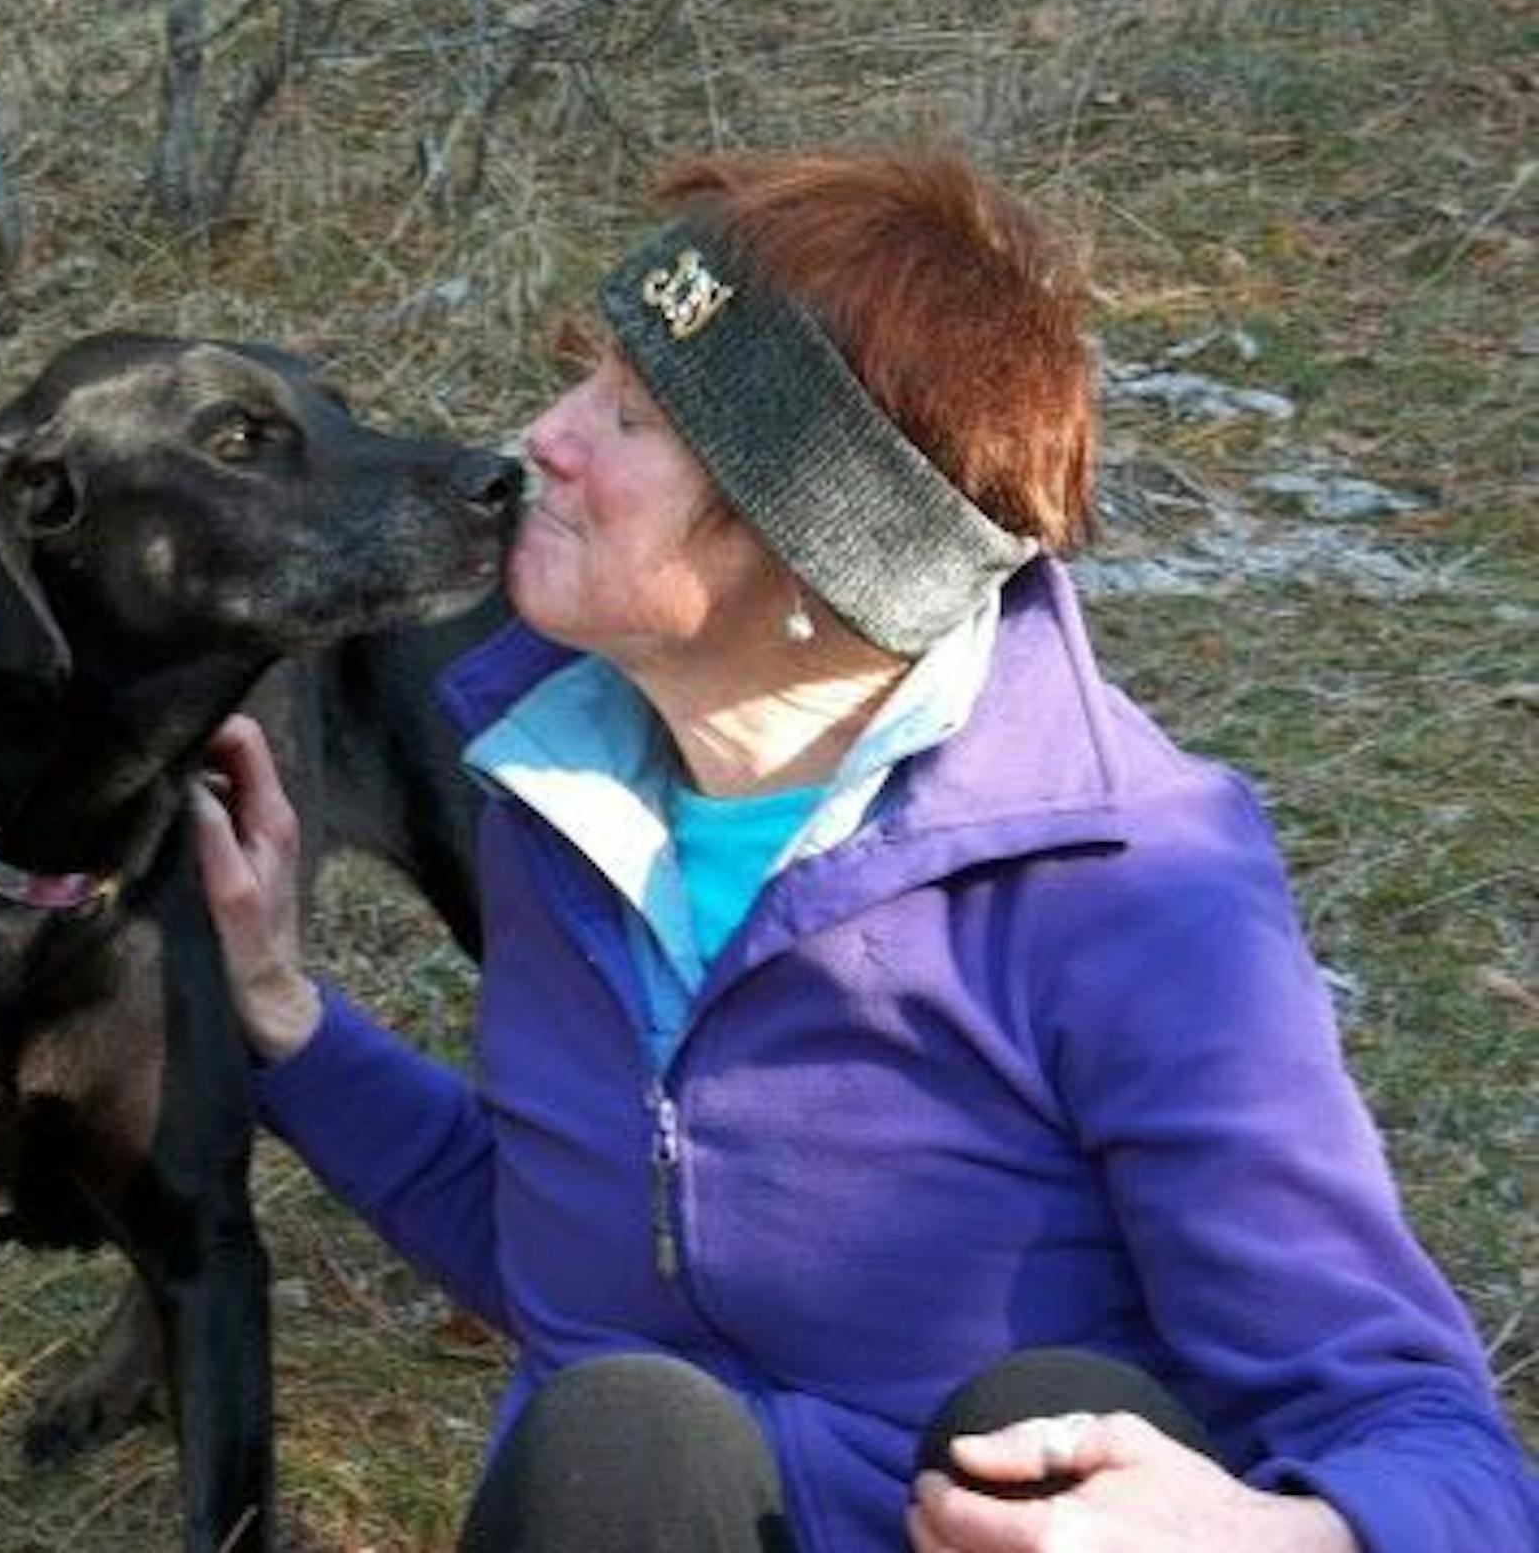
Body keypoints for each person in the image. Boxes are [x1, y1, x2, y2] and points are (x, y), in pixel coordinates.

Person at [187, 148, 1536, 1552]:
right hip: (646, 1516)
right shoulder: (561, 798)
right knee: (622, 1431)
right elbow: (588, 1274)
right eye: (587, 379)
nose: (547, 438)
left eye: (636, 419)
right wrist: (284, 1018)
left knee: (1039, 1410)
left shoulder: (1133, 888)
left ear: (819, 547)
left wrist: (1281, 1536)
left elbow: (1433, 1446)